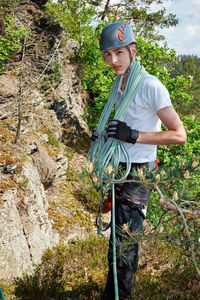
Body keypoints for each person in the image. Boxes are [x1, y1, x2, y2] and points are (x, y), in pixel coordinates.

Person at [91, 21, 187, 300]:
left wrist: (133, 135)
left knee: (126, 246)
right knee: (115, 244)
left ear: (132, 49)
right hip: (119, 169)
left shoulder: (149, 86)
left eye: (119, 52)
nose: (113, 60)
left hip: (138, 174)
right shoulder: (118, 84)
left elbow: (179, 135)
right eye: (107, 54)